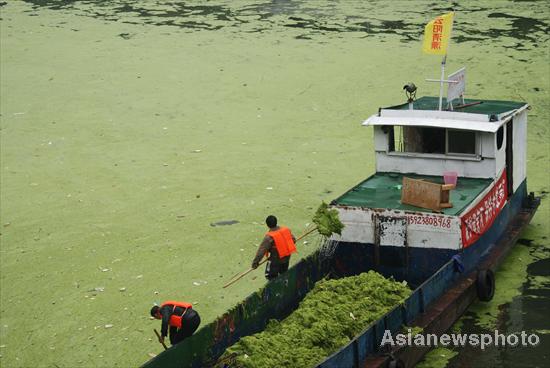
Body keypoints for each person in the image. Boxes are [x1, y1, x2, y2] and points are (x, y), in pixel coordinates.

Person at [251, 215, 297, 280]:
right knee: (283, 274)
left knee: (270, 276)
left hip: (275, 260)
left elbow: (261, 251)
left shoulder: (269, 237)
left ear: (267, 225)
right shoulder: (286, 230)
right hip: (286, 258)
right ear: (276, 222)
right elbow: (293, 240)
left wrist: (255, 263)